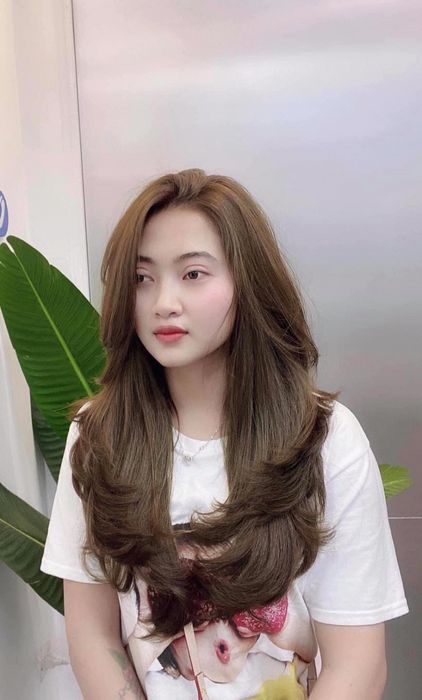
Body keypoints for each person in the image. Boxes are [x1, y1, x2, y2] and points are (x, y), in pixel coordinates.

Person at [40, 168, 409, 699]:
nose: (163, 301)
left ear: (247, 282)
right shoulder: (99, 436)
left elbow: (359, 666)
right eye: (142, 278)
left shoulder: (324, 440)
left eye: (193, 274)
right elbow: (92, 635)